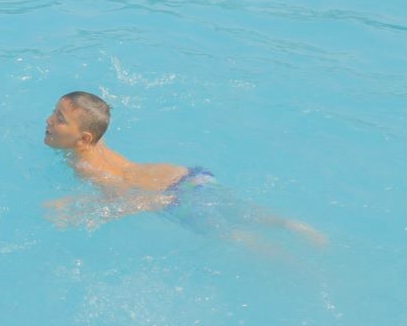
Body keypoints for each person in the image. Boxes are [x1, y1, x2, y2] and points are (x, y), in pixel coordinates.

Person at [42, 91, 324, 242]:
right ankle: (289, 224)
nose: (49, 121)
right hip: (184, 175)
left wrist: (76, 210)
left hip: (175, 198)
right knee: (240, 210)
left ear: (83, 138)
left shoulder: (84, 165)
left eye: (60, 119)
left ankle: (291, 267)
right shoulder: (98, 145)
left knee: (235, 237)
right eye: (55, 112)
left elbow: (127, 199)